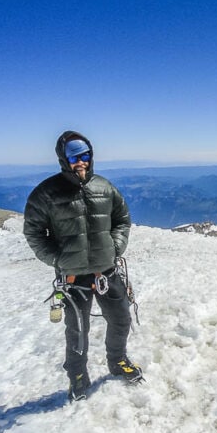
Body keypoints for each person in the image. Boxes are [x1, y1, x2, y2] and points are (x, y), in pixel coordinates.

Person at [23, 130, 142, 401]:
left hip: (107, 272)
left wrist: (116, 246)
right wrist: (56, 260)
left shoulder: (104, 187)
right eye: (74, 156)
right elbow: (33, 232)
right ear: (63, 159)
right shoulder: (46, 193)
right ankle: (77, 376)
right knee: (77, 330)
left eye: (85, 155)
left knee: (121, 319)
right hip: (73, 278)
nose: (81, 162)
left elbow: (122, 218)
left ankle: (118, 360)